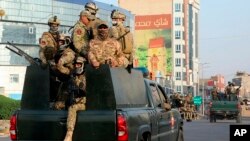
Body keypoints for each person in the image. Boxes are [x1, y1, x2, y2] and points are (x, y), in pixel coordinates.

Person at [64, 56, 86, 141]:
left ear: (83, 65)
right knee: (57, 105)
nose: (77, 66)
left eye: (79, 65)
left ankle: (69, 134)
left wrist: (76, 81)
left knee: (73, 107)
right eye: (76, 64)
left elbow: (85, 90)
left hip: (84, 102)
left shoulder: (85, 76)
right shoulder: (73, 75)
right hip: (73, 99)